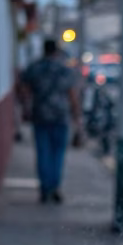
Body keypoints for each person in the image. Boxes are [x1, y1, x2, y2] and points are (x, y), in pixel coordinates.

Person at [21, 38, 80, 203]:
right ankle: (55, 186)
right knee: (58, 154)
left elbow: (25, 91)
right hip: (61, 117)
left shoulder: (34, 68)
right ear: (56, 51)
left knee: (42, 153)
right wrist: (77, 119)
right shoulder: (65, 70)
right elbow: (73, 96)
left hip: (40, 116)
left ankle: (44, 188)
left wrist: (25, 109)